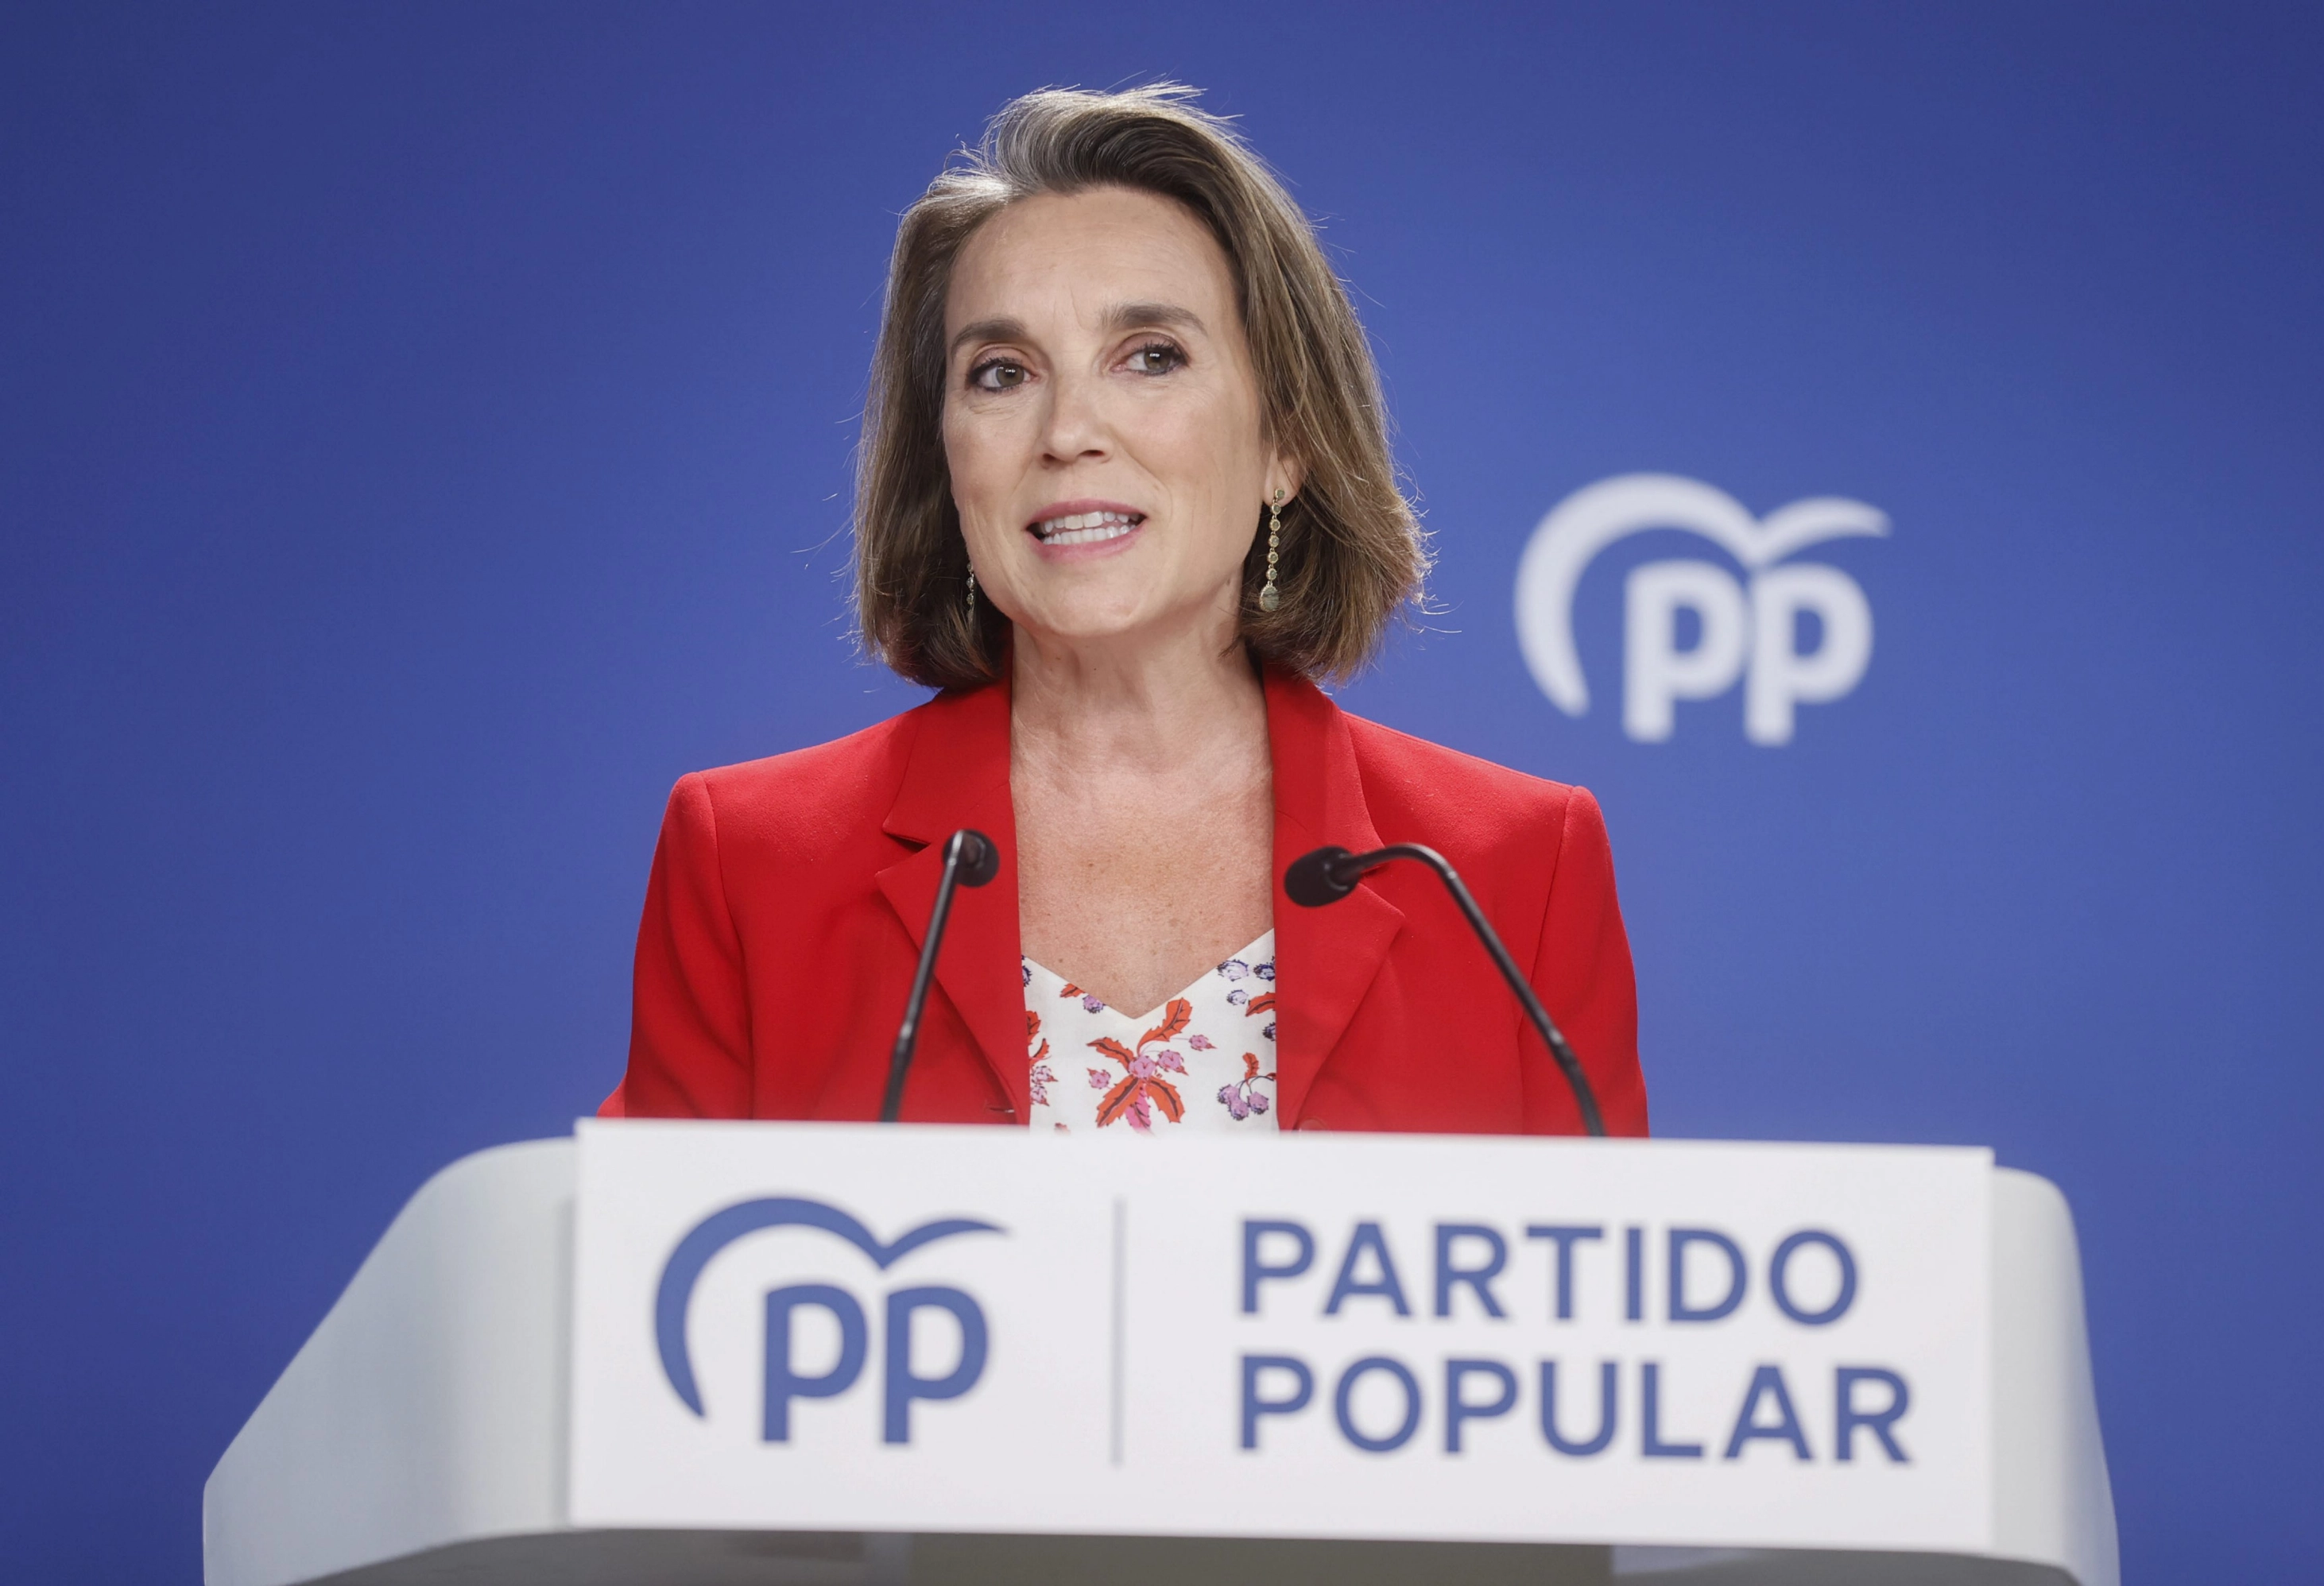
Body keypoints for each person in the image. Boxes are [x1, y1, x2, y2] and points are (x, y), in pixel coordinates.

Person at [603, 84, 1646, 1137]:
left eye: (1150, 355)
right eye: (1002, 373)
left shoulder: (1514, 870)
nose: (1067, 432)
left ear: (1286, 441)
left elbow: (1605, 1289)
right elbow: (640, 1277)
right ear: (948, 456)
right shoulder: (752, 863)